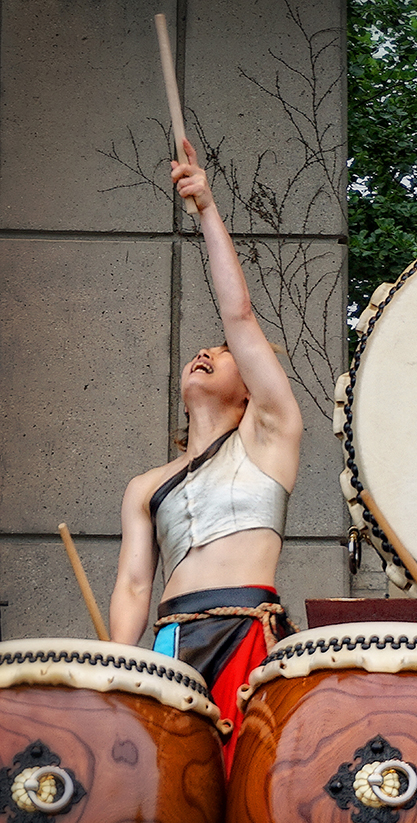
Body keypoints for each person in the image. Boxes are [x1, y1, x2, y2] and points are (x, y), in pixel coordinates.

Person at [109, 139, 303, 772]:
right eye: (202, 349)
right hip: (168, 640)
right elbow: (136, 583)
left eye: (223, 354)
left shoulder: (269, 437)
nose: (208, 351)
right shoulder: (145, 485)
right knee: (170, 792)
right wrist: (116, 665)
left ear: (252, 386)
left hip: (247, 630)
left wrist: (207, 211)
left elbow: (239, 313)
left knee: (247, 787)